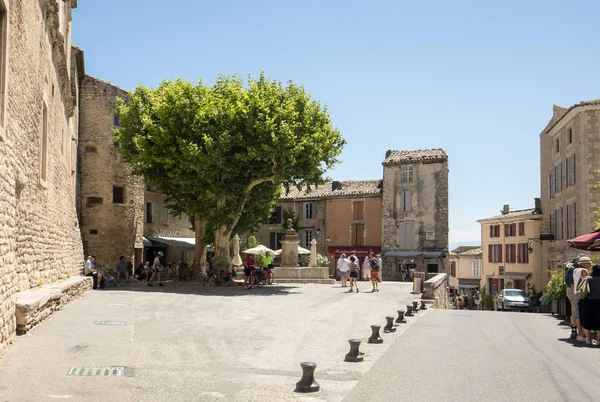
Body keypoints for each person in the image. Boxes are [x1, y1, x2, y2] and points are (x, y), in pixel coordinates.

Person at [573, 256, 592, 342]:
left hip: (576, 293)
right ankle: (583, 335)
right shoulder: (584, 271)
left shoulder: (575, 270)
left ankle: (579, 333)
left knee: (577, 314)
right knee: (583, 314)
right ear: (583, 264)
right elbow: (589, 281)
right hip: (583, 294)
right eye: (589, 263)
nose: (590, 264)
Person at [581, 265, 600, 345]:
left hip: (587, 301)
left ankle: (588, 339)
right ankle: (599, 340)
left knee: (587, 320)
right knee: (599, 321)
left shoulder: (588, 279)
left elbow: (581, 289)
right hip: (599, 302)